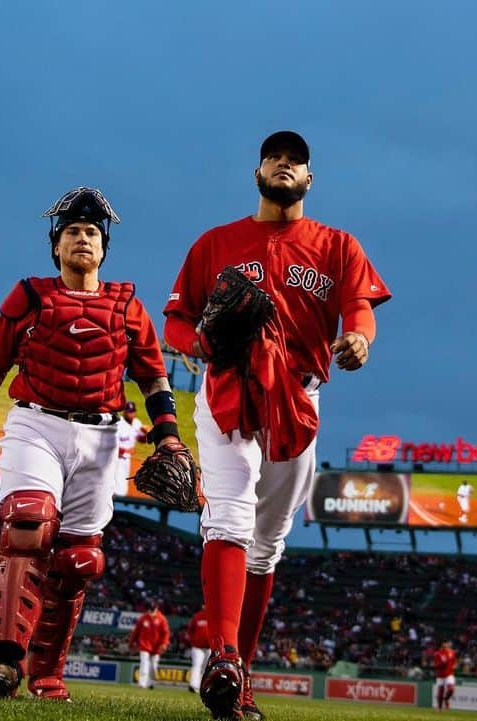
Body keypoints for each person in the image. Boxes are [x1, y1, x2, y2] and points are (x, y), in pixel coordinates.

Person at [163, 130, 391, 721]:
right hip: (229, 389)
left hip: (298, 396)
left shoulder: (335, 244)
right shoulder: (216, 242)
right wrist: (198, 344)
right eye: (274, 157)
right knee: (231, 515)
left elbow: (359, 305)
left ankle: (237, 682)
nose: (283, 164)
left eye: (295, 160)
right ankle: (225, 656)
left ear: (309, 179)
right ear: (257, 171)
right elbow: (177, 321)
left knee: (267, 547)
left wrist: (361, 338)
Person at [0, 187, 188, 702]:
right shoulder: (29, 297)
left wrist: (168, 436)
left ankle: (47, 674)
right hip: (36, 425)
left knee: (79, 560)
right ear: (55, 246)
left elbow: (152, 379)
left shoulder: (128, 306)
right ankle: (2, 662)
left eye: (92, 234)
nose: (83, 239)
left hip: (101, 435)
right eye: (73, 232)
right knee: (27, 529)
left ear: (104, 249)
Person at [129, 599, 171, 689]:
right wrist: (131, 643)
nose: (150, 611)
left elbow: (166, 633)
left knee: (153, 665)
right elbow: (136, 632)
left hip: (157, 646)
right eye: (149, 609)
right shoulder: (143, 618)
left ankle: (150, 683)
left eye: (152, 609)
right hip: (145, 645)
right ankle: (142, 683)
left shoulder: (161, 618)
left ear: (156, 608)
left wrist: (164, 644)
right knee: (144, 663)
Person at [114, 401, 147, 496]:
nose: (131, 414)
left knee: (123, 484)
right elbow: (112, 445)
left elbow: (141, 439)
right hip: (117, 460)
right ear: (124, 412)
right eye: (129, 412)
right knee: (118, 489)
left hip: (126, 461)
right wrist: (126, 451)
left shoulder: (137, 423)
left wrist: (146, 434)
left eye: (132, 411)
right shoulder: (118, 424)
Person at [188, 605, 211, 693]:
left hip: (209, 648)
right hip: (197, 647)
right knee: (196, 665)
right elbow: (190, 630)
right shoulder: (197, 616)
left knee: (206, 668)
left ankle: (203, 686)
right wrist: (193, 642)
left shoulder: (213, 617)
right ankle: (193, 685)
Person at [434, 640, 458, 711]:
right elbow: (436, 665)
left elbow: (455, 661)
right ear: (441, 645)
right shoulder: (437, 654)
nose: (446, 645)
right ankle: (439, 708)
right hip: (440, 674)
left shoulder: (452, 652)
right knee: (440, 692)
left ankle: (446, 699)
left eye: (447, 643)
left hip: (449, 674)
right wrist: (442, 664)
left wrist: (455, 665)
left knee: (451, 689)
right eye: (444, 644)